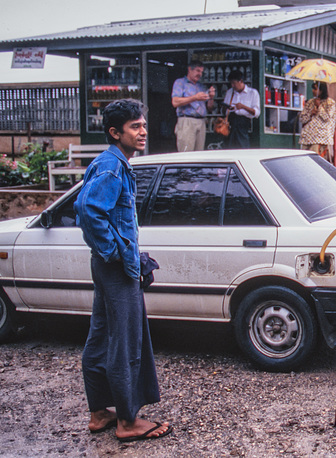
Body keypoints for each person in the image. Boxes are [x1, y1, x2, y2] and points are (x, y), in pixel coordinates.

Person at [74, 99, 173, 443]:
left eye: (144, 125)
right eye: (135, 127)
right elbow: (88, 210)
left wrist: (118, 252)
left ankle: (100, 411)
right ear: (116, 133)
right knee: (126, 341)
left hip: (108, 266)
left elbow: (95, 211)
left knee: (101, 336)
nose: (143, 132)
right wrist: (115, 252)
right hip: (115, 268)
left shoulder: (113, 163)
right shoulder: (112, 167)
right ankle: (128, 422)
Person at [171, 60, 216, 152]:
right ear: (189, 70)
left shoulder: (201, 86)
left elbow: (210, 108)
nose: (200, 74)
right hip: (187, 121)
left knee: (198, 155)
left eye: (201, 72)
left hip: (201, 122)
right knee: (186, 154)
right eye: (197, 71)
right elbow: (175, 102)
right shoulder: (180, 83)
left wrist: (211, 98)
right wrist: (195, 97)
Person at [299, 81, 336, 162]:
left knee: (316, 161)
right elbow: (302, 119)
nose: (313, 91)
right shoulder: (310, 102)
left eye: (315, 89)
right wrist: (310, 113)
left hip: (320, 138)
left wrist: (319, 106)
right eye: (313, 88)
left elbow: (327, 118)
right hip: (307, 137)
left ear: (322, 90)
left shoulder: (330, 103)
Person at [223, 70, 260, 148]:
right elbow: (224, 110)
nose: (232, 86)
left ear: (241, 81)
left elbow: (256, 113)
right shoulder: (230, 92)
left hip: (243, 123)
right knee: (229, 147)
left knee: (243, 147)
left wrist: (243, 107)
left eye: (234, 83)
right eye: (231, 83)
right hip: (231, 123)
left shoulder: (252, 93)